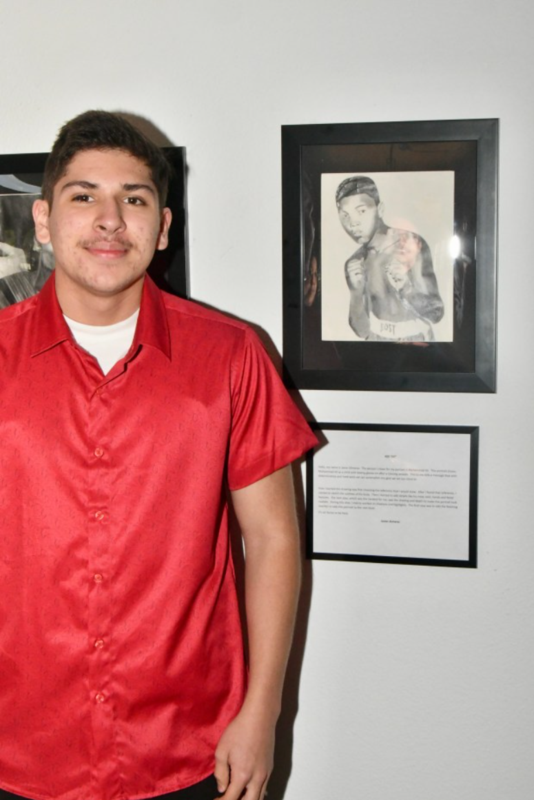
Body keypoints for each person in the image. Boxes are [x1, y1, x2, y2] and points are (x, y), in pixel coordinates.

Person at [0, 111, 317, 800]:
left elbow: (271, 541)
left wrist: (263, 712)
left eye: (134, 199)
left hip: (190, 748)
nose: (110, 220)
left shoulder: (232, 356)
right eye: (83, 196)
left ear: (163, 227)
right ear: (44, 222)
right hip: (18, 751)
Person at [336, 175, 444, 342]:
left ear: (380, 210)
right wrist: (356, 293)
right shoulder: (355, 262)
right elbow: (361, 331)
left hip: (417, 342)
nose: (353, 223)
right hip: (376, 343)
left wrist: (406, 288)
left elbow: (436, 313)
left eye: (361, 211)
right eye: (345, 216)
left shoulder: (411, 245)